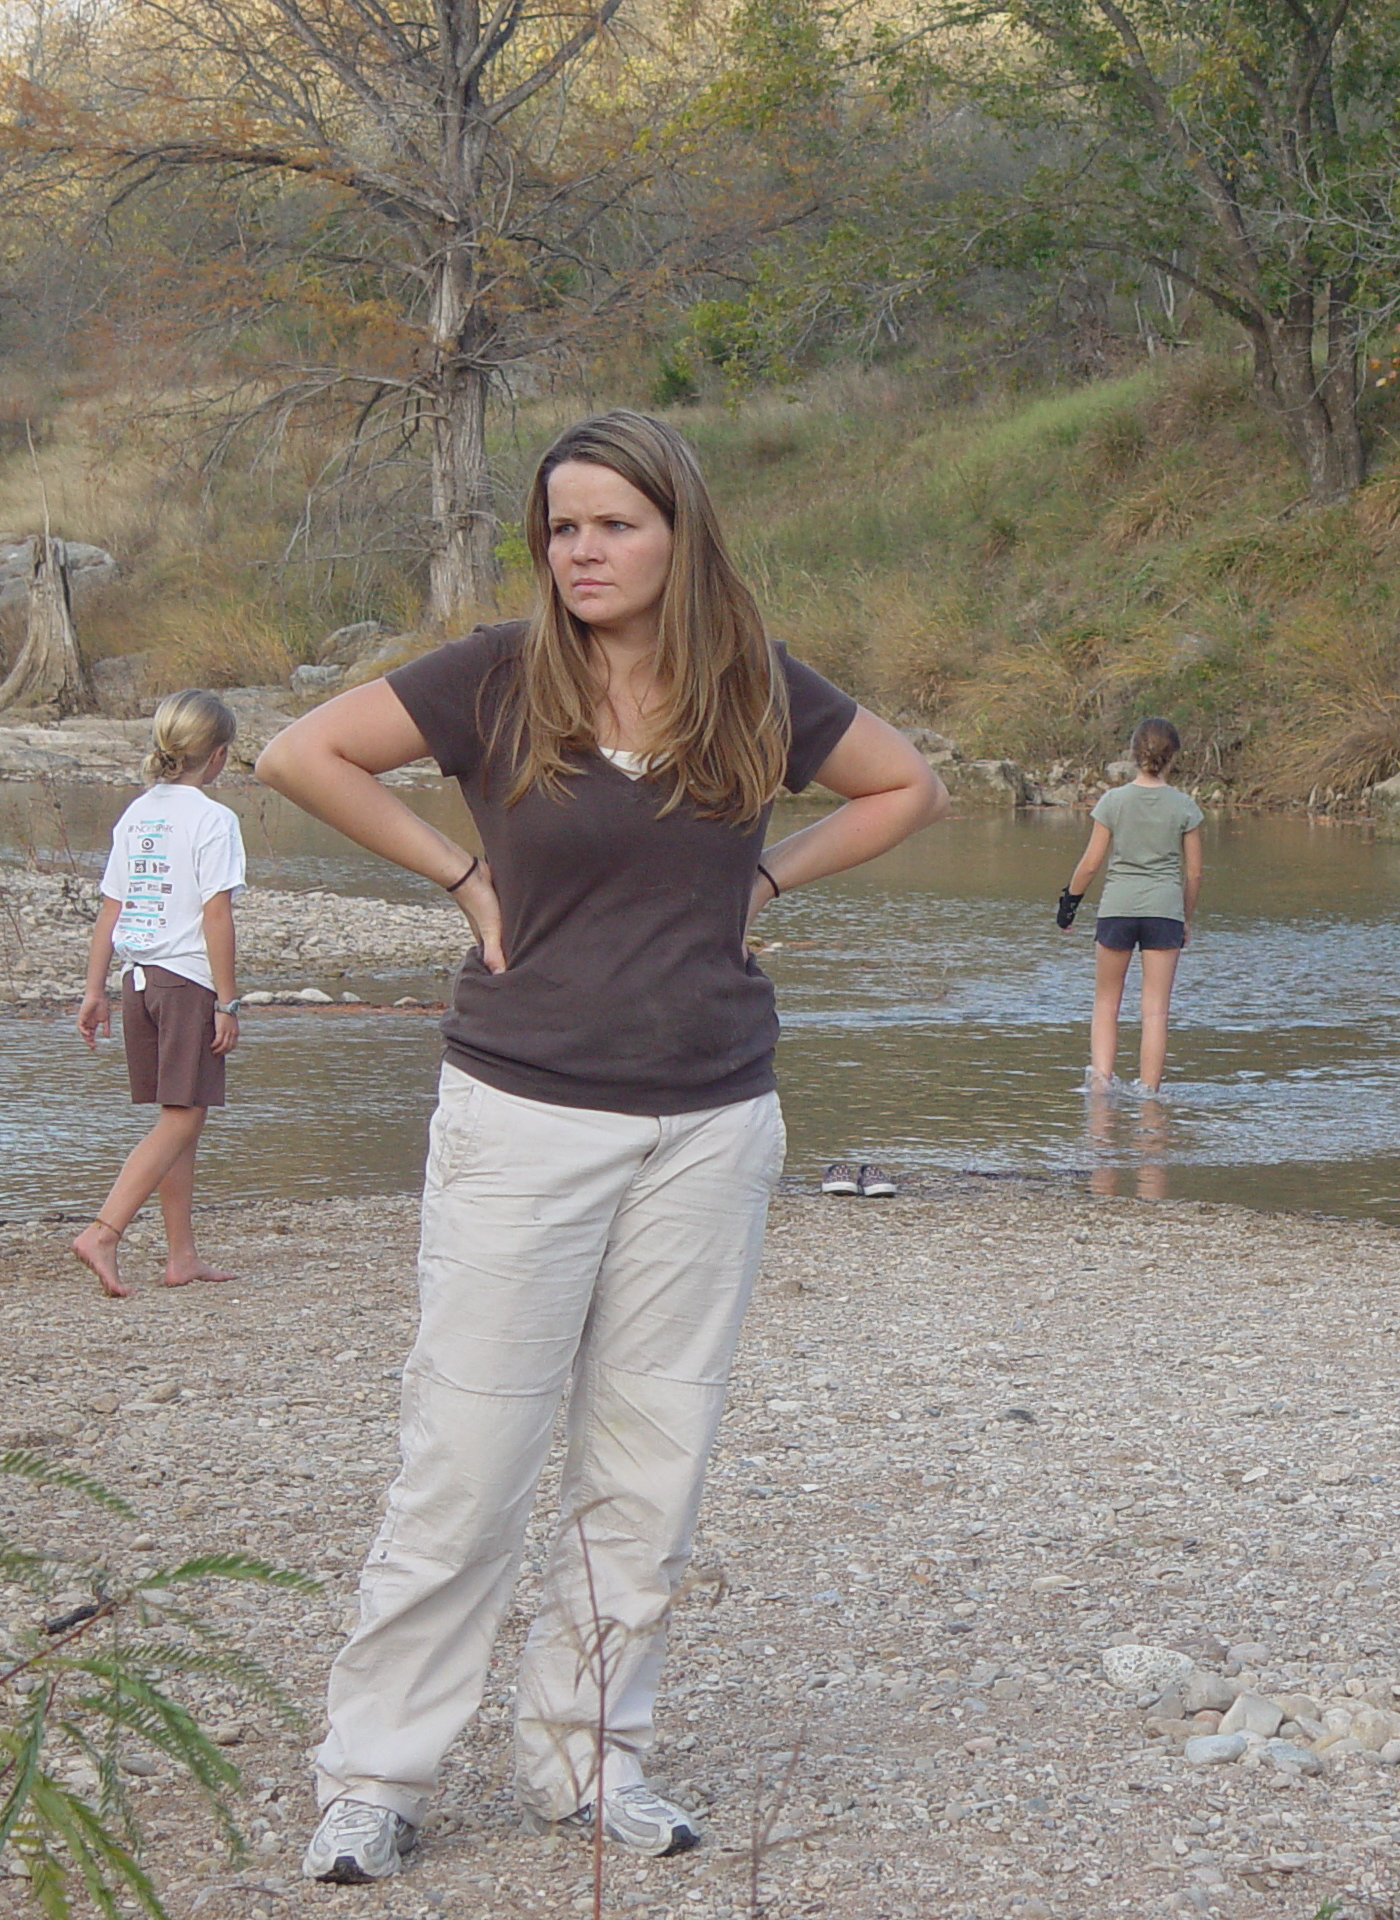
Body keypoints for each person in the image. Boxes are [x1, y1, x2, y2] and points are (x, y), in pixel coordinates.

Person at [256, 411, 945, 1883]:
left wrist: (773, 871)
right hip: (522, 1112)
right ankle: (376, 1776)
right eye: (562, 527)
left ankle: (591, 1758)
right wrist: (455, 870)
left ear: (678, 533)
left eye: (611, 525)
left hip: (710, 1122)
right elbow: (301, 753)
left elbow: (908, 787)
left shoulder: (755, 687)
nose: (581, 551)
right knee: (470, 1455)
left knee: (651, 1460)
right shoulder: (495, 679)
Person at [72, 689, 246, 1299]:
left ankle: (182, 1257)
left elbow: (111, 909)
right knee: (183, 1115)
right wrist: (227, 1000)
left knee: (180, 1117)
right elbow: (216, 914)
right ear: (219, 755)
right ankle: (104, 1230)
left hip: (136, 980)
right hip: (185, 983)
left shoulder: (138, 813)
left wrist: (95, 990)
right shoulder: (212, 819)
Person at [1057, 717, 1203, 1094]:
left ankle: (1102, 1086)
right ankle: (1149, 1094)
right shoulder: (1185, 806)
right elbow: (1195, 874)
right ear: (1173, 757)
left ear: (1134, 754)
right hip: (1164, 912)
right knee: (1154, 1011)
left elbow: (1090, 864)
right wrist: (1185, 919)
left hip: (1117, 910)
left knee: (1106, 1003)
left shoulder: (1113, 801)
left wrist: (1068, 905)